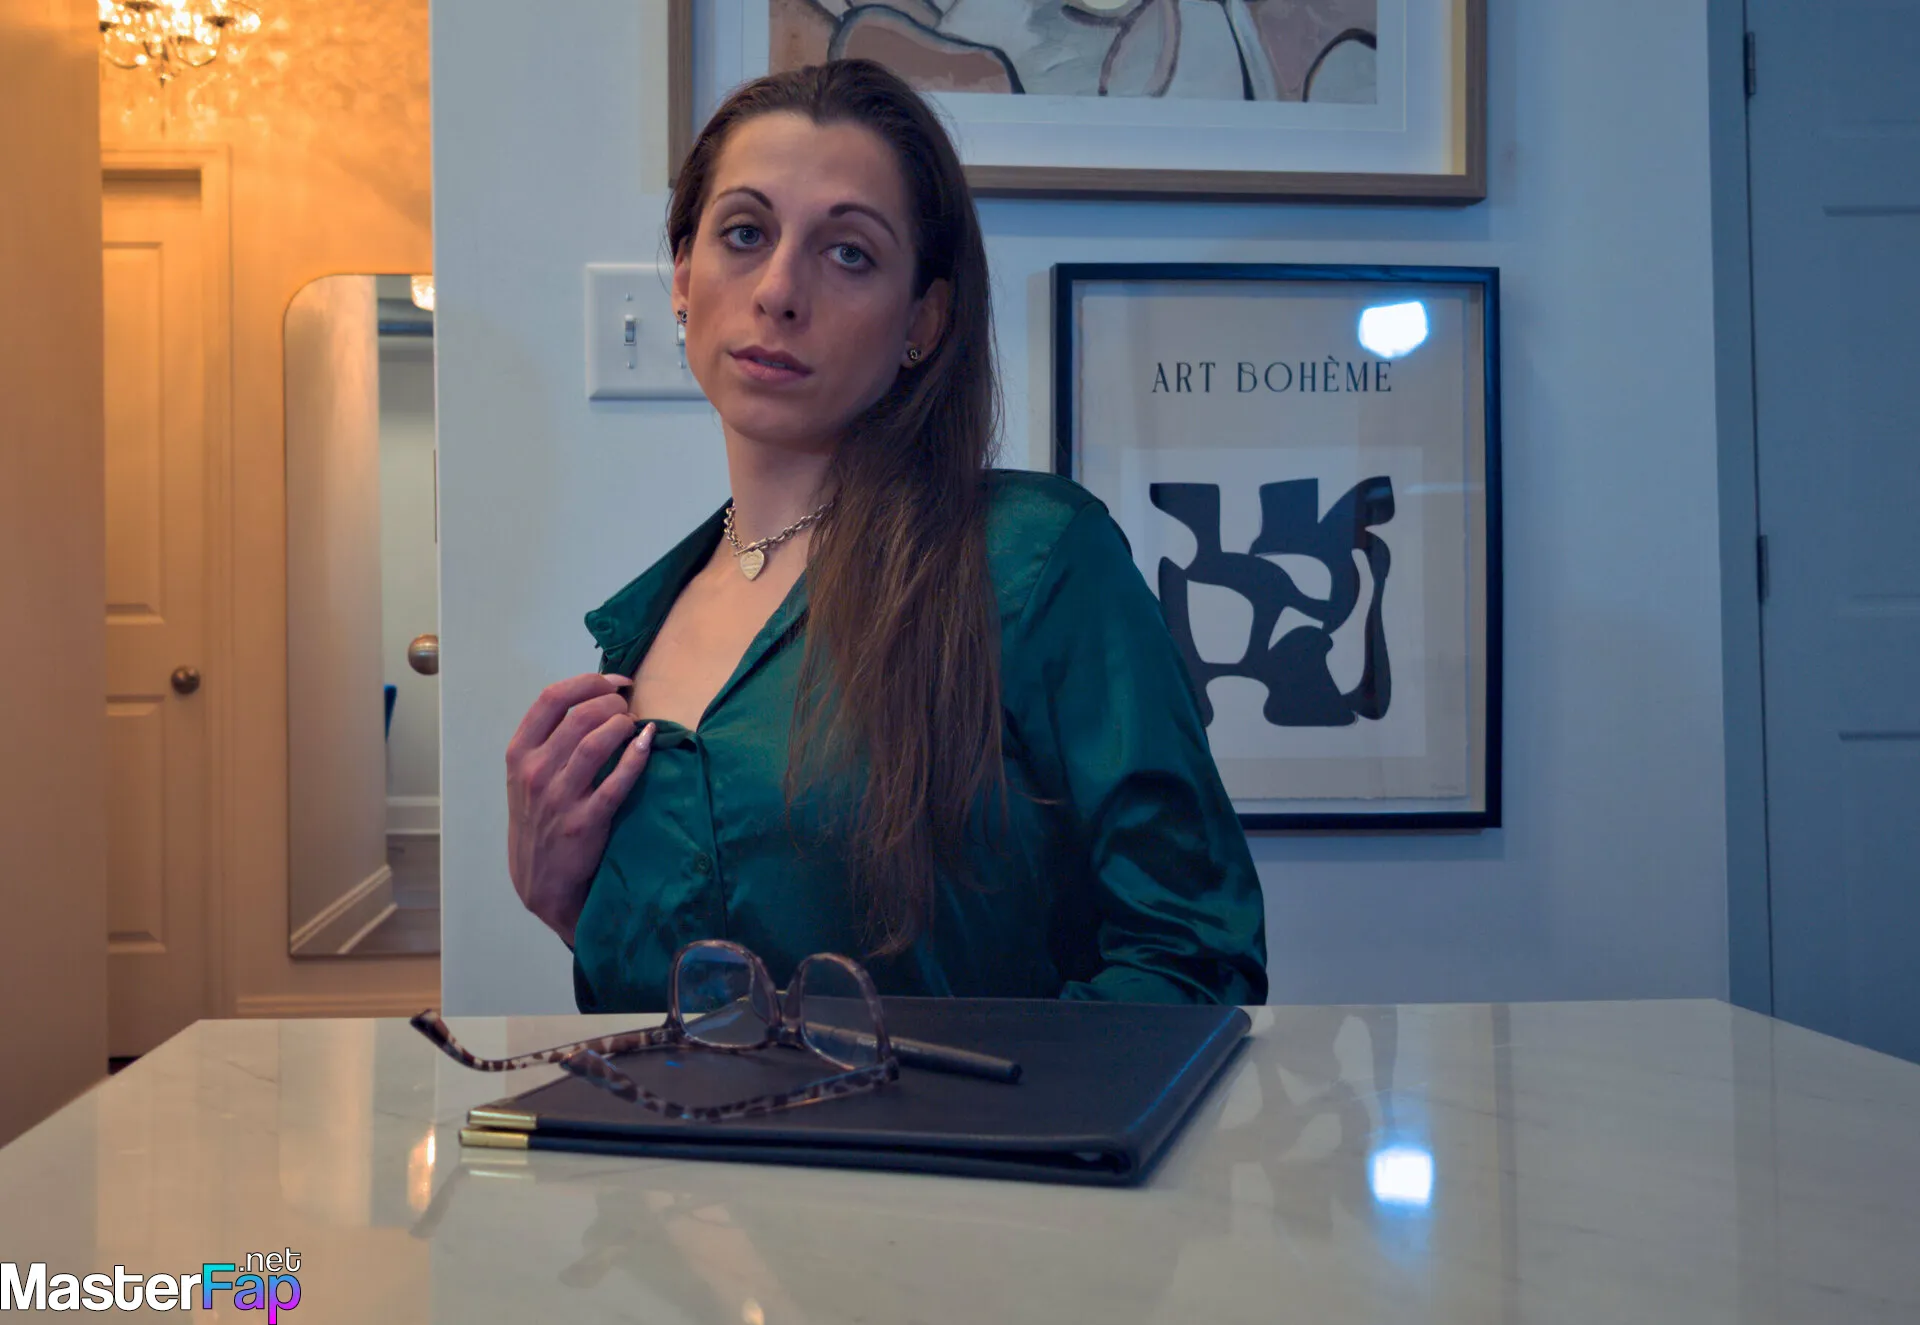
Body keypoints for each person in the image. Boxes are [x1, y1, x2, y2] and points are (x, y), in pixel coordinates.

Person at [505, 59, 1267, 1011]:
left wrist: (971, 1099)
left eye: (849, 253)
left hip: (986, 1121)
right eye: (744, 233)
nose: (780, 290)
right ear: (683, 276)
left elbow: (1196, 959)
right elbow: (699, 1012)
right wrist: (569, 908)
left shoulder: (1035, 561)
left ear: (925, 318)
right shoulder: (640, 631)